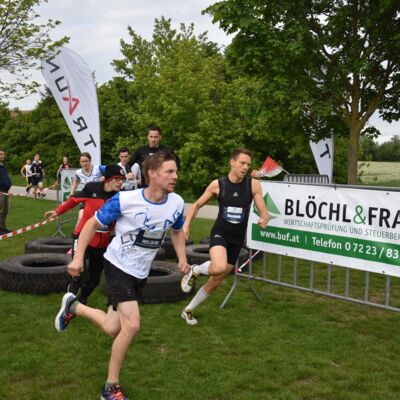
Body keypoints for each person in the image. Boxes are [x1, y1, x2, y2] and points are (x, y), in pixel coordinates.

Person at [55, 151, 189, 400]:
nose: (175, 176)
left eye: (176, 172)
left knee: (112, 327)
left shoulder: (177, 202)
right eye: (169, 171)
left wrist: (181, 258)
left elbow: (178, 231)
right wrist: (78, 257)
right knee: (132, 324)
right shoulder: (125, 199)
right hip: (117, 266)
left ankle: (74, 306)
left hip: (140, 271)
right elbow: (91, 223)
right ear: (152, 173)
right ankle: (110, 387)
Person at [180, 148, 269, 326]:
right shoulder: (218, 185)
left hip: (238, 239)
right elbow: (196, 205)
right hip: (220, 233)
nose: (245, 167)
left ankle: (188, 310)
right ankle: (196, 269)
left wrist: (265, 216)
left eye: (248, 164)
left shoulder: (253, 185)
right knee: (218, 267)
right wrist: (186, 225)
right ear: (232, 162)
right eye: (242, 163)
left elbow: (263, 209)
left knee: (217, 279)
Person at [45, 165, 126, 304]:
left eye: (122, 179)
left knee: (94, 279)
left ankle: (83, 298)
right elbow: (73, 200)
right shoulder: (92, 188)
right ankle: (69, 302)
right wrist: (58, 211)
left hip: (101, 242)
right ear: (107, 179)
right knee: (78, 272)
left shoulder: (121, 196)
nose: (120, 182)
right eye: (117, 179)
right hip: (82, 236)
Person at [0, 148, 12, 234]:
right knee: (1, 210)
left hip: (5, 191)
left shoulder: (2, 166)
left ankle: (3, 228)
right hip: (1, 192)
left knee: (5, 210)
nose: (3, 156)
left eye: (3, 154)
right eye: (1, 154)